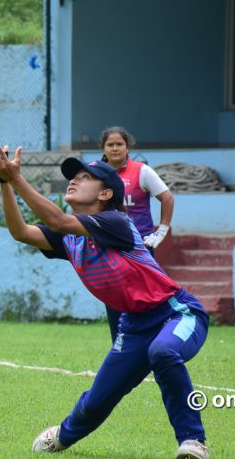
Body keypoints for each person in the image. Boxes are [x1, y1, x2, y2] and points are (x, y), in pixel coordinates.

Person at [0, 143, 210, 459]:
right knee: (99, 397)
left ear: (104, 195)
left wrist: (16, 178)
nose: (73, 181)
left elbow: (57, 220)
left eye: (84, 177)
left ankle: (193, 442)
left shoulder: (116, 222)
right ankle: (63, 435)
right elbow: (21, 232)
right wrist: (4, 182)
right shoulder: (69, 236)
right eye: (73, 176)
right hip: (134, 325)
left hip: (177, 313)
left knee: (163, 351)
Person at [99, 126, 175, 342]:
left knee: (145, 301)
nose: (115, 148)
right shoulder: (94, 173)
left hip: (140, 248)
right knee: (114, 300)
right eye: (110, 144)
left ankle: (152, 345)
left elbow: (167, 198)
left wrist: (161, 232)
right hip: (110, 248)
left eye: (119, 144)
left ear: (127, 146)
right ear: (103, 148)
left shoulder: (141, 171)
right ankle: (119, 346)